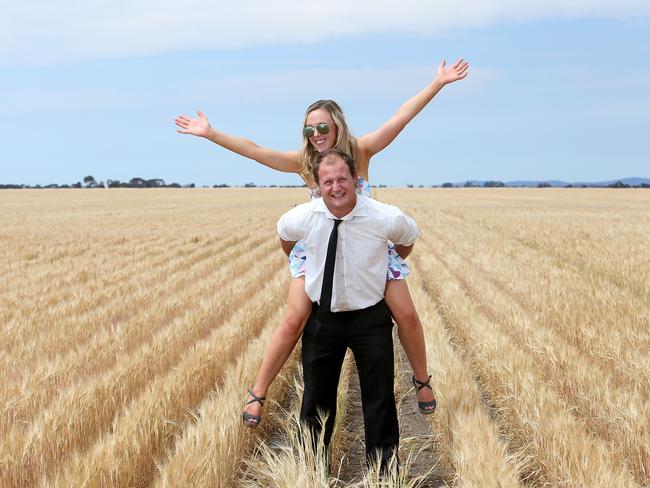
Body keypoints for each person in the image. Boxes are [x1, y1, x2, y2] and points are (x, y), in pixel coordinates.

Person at [174, 58, 469, 427]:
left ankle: (422, 381)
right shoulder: (305, 162)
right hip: (320, 249)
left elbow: (401, 116)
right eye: (309, 128)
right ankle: (258, 392)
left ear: (338, 125)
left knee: (406, 314)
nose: (315, 133)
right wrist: (211, 133)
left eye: (322, 126)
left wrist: (438, 82)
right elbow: (255, 150)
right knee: (293, 318)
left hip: (367, 244)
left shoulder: (361, 151)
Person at [277, 148, 420, 469]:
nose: (336, 187)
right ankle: (310, 469)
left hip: (370, 318)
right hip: (322, 319)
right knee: (315, 399)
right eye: (328, 181)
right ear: (317, 184)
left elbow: (408, 238)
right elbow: (286, 237)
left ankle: (384, 473)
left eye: (342, 179)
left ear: (356, 180)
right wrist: (302, 264)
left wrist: (384, 263)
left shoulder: (385, 216)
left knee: (379, 398)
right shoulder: (302, 217)